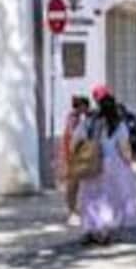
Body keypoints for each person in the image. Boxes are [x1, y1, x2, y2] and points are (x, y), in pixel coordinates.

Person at [74, 87, 136, 245]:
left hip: (91, 162)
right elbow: (124, 149)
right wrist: (129, 162)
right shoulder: (118, 125)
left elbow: (75, 142)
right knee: (109, 198)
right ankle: (104, 230)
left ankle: (90, 229)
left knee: (90, 197)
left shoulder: (88, 122)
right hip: (113, 164)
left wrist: (81, 155)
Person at [58, 94, 90, 222]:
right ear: (81, 106)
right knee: (72, 185)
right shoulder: (74, 119)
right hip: (71, 155)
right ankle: (71, 210)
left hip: (73, 154)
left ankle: (74, 209)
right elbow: (72, 137)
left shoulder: (75, 118)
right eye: (86, 106)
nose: (87, 109)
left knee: (75, 185)